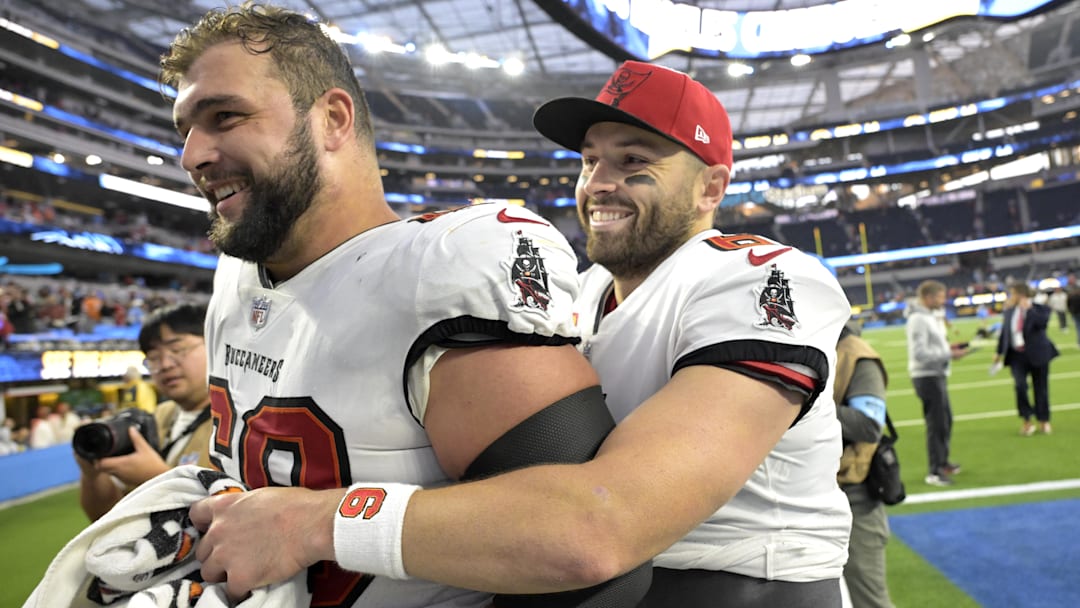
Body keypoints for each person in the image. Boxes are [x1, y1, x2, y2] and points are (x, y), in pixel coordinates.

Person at [166, 6, 848, 607]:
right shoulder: (581, 292)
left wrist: (317, 522)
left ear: (711, 188)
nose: (599, 184)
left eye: (635, 161)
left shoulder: (760, 279)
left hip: (747, 591)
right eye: (589, 161)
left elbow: (602, 526)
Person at [75, 303, 214, 521]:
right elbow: (104, 517)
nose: (165, 364)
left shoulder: (239, 420)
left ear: (215, 343)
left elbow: (233, 517)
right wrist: (92, 474)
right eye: (154, 357)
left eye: (177, 350)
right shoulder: (156, 417)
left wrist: (154, 478)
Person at [834, 320, 895, 608]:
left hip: (853, 496)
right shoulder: (810, 348)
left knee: (867, 598)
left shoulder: (855, 354)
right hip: (804, 493)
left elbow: (870, 426)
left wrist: (801, 399)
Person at [905, 280, 968, 487]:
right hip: (926, 376)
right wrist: (949, 353)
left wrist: (950, 347)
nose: (943, 300)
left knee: (945, 421)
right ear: (929, 297)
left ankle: (943, 462)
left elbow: (932, 346)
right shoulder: (918, 319)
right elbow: (919, 353)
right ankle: (934, 471)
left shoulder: (930, 317)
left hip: (936, 373)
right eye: (940, 296)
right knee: (936, 424)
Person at [993, 283, 1059, 436]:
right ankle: (1027, 420)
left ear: (1021, 294)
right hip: (1017, 356)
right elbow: (1005, 332)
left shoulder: (1040, 309)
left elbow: (1042, 324)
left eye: (1013, 293)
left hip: (1038, 354)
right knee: (1020, 386)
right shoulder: (1009, 311)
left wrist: (1028, 309)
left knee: (1041, 388)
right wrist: (998, 352)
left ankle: (1044, 420)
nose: (1011, 297)